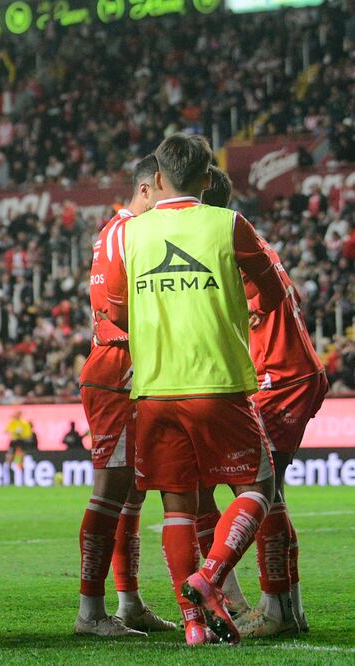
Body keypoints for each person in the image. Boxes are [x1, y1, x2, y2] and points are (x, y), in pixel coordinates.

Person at [105, 133, 286, 646]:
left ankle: (194, 626)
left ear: (157, 179)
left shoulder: (131, 233)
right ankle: (210, 576)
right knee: (259, 487)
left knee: (178, 507)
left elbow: (114, 311)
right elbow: (270, 290)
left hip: (154, 390)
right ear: (208, 180)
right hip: (218, 383)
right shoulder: (228, 222)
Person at [199, 166, 328, 638]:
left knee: (260, 491)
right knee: (271, 494)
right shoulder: (243, 237)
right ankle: (289, 610)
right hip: (290, 372)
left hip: (281, 377)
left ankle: (275, 609)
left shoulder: (217, 240)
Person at [74, 155, 175, 637]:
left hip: (133, 369)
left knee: (133, 492)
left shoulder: (126, 230)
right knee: (110, 490)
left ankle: (128, 603)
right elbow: (118, 305)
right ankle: (90, 613)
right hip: (118, 370)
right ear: (148, 187)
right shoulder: (126, 230)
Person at [4, 411, 34, 479]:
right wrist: (14, 432)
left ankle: (20, 467)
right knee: (10, 454)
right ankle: (8, 467)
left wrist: (21, 434)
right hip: (14, 441)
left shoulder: (24, 423)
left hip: (21, 441)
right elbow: (6, 430)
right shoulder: (12, 422)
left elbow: (28, 434)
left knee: (21, 455)